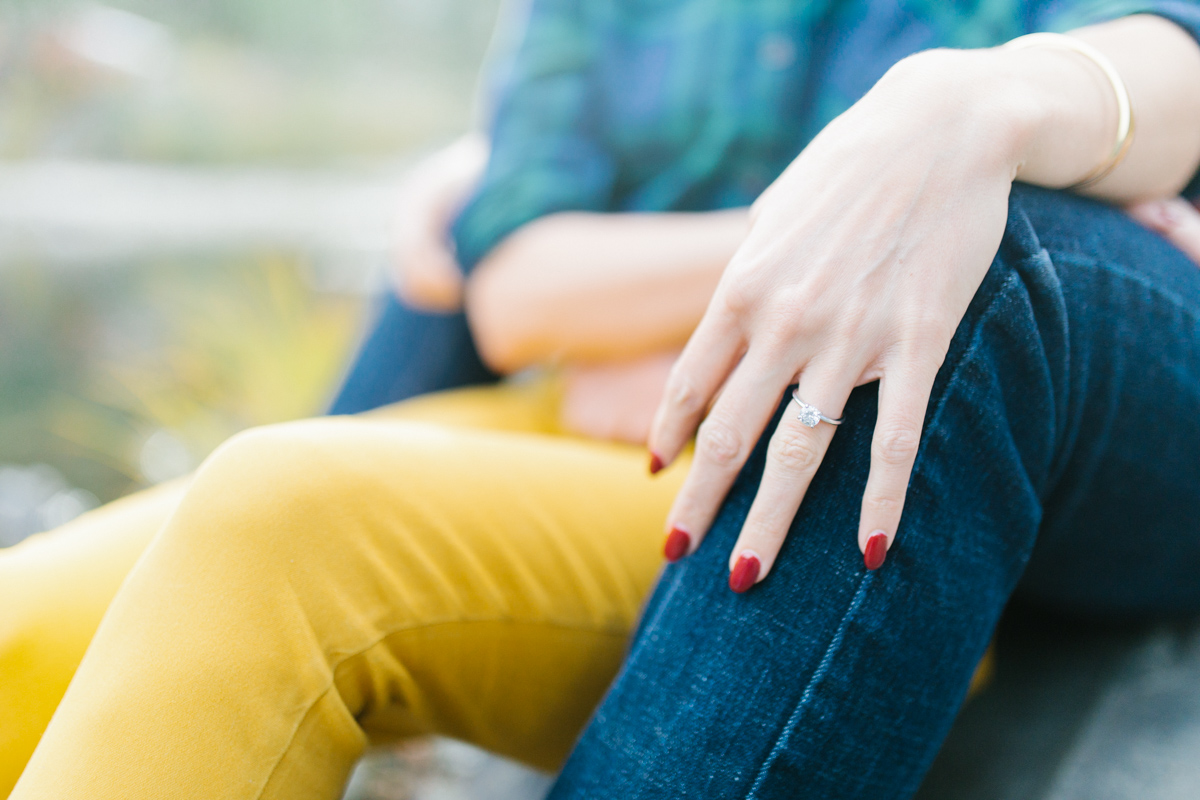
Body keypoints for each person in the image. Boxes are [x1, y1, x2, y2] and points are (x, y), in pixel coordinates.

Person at [3, 2, 1200, 799]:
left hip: (805, 446)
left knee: (290, 521)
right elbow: (519, 285)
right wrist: (852, 220)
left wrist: (967, 118)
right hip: (590, 410)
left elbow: (1158, 72)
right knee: (23, 620)